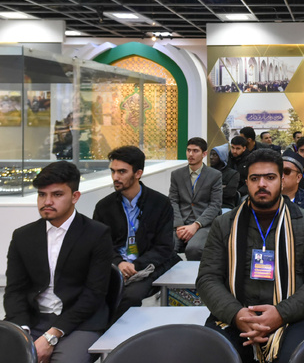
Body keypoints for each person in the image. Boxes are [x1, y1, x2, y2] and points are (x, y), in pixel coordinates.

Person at [196, 149, 304, 363]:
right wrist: (237, 314)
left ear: (282, 179)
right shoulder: (225, 224)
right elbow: (207, 278)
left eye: (270, 177)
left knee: (297, 357)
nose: (262, 184)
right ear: (247, 182)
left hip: (291, 316)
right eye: (254, 178)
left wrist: (280, 313)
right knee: (215, 355)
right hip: (234, 314)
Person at [5, 161, 113, 363]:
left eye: (56, 195)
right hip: (33, 319)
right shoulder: (23, 236)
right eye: (41, 194)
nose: (47, 201)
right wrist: (23, 332)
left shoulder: (97, 234)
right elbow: (14, 291)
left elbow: (94, 295)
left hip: (80, 321)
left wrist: (52, 335)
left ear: (75, 197)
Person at [93, 146, 180, 322]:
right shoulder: (104, 207)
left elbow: (164, 247)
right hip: (116, 266)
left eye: (122, 172)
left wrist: (136, 265)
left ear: (138, 173)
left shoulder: (160, 203)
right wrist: (119, 262)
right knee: (95, 293)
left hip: (147, 265)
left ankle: (111, 337)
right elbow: (99, 245)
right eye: (113, 171)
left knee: (129, 296)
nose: (115, 177)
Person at [169, 137, 223, 260]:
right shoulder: (176, 174)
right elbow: (173, 201)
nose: (191, 154)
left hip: (203, 223)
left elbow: (215, 205)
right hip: (181, 223)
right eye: (188, 150)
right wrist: (178, 225)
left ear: (204, 154)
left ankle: (196, 278)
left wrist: (196, 225)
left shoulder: (214, 175)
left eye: (195, 151)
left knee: (194, 249)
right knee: (167, 247)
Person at [209, 144, 241, 210]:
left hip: (225, 206)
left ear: (222, 157)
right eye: (211, 154)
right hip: (206, 206)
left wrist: (210, 189)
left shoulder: (233, 174)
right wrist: (220, 187)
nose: (211, 157)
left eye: (215, 155)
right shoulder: (207, 172)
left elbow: (230, 193)